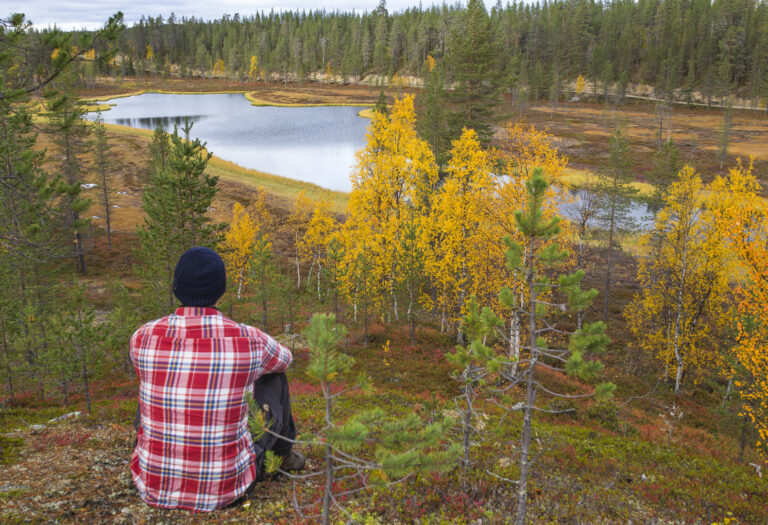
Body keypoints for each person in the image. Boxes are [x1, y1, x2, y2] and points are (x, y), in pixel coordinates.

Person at [129, 246, 305, 512]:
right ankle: (282, 456)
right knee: (275, 378)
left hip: (152, 486)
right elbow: (286, 359)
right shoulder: (250, 340)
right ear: (221, 288)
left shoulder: (142, 337)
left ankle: (162, 457)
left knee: (161, 385)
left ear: (176, 288)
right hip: (226, 490)